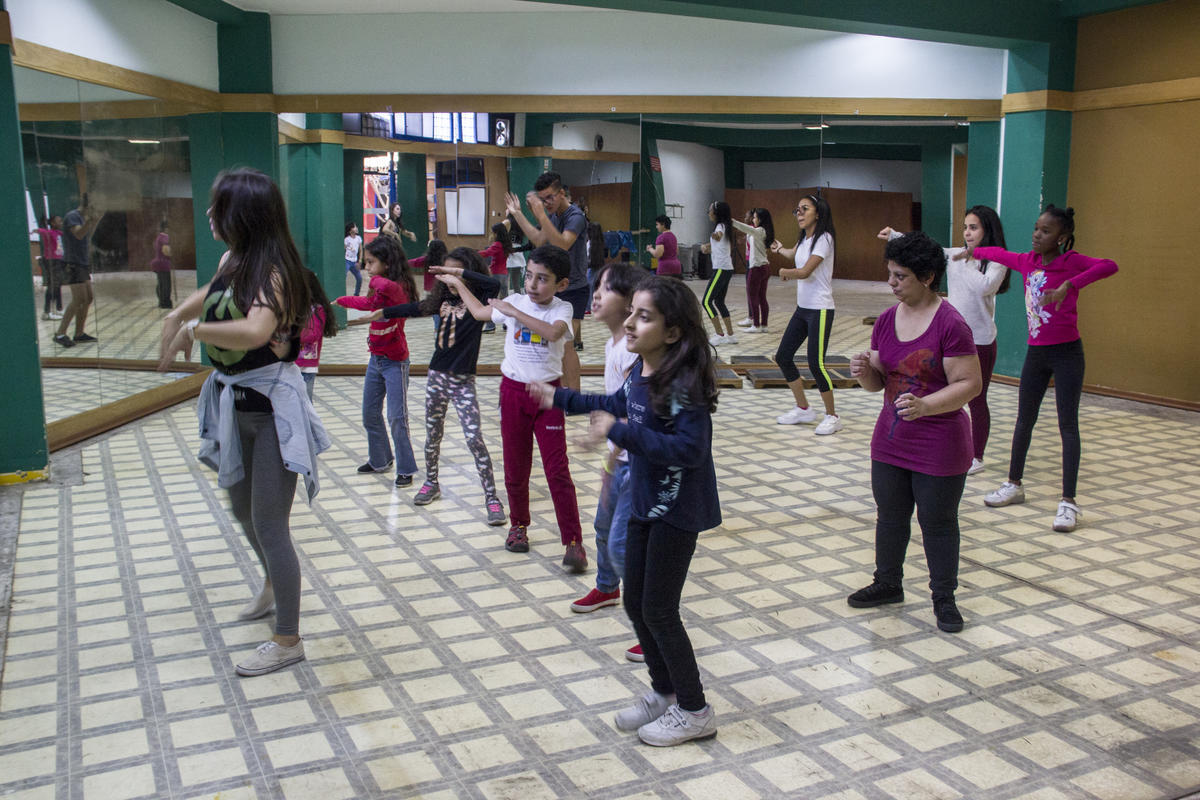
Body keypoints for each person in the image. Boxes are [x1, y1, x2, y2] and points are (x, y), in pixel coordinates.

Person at [528, 275, 721, 747]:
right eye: (631, 311)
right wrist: (562, 399)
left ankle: (695, 709)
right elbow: (617, 405)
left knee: (659, 608)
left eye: (644, 316)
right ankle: (664, 692)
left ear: (673, 332)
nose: (631, 323)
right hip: (645, 500)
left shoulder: (680, 384)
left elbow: (689, 449)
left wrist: (618, 432)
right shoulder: (642, 370)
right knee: (636, 601)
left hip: (678, 509)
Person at [157, 167, 329, 677]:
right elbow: (213, 288)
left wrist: (196, 327)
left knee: (271, 525)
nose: (210, 215)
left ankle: (288, 640)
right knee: (243, 511)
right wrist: (176, 316)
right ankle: (275, 583)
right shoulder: (237, 258)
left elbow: (256, 330)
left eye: (218, 207)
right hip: (238, 410)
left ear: (243, 216)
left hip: (274, 413)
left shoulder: (274, 270)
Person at [847, 231, 981, 634]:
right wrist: (864, 373)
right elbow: (878, 384)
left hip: (939, 443)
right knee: (890, 515)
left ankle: (944, 598)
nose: (891, 283)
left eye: (900, 276)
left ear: (926, 277)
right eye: (889, 273)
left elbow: (969, 384)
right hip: (890, 439)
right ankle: (888, 583)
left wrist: (925, 406)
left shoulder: (951, 323)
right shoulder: (887, 320)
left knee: (938, 522)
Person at [973, 205, 1118, 532]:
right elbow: (999, 253)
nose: (1037, 235)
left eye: (1046, 231)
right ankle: (1014, 484)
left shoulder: (1071, 262)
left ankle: (1068, 502)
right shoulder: (1027, 261)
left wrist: (1072, 285)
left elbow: (1111, 265)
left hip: (1067, 354)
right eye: (1037, 228)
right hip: (1036, 355)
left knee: (1068, 425)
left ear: (1062, 237)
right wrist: (972, 250)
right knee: (1024, 419)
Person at [449, 245, 586, 571]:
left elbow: (554, 334)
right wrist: (458, 285)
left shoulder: (561, 309)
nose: (533, 284)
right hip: (512, 393)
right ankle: (519, 526)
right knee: (515, 466)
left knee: (557, 470)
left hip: (547, 396)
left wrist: (512, 313)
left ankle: (573, 541)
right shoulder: (515, 301)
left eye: (543, 279)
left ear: (561, 284)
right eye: (529, 276)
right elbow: (481, 313)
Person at [363, 247, 507, 525]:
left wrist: (457, 276)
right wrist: (381, 313)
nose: (447, 279)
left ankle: (492, 497)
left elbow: (494, 283)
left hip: (463, 382)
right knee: (433, 435)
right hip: (437, 378)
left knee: (475, 438)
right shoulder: (439, 302)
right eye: (443, 272)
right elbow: (412, 308)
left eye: (452, 272)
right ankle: (432, 482)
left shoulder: (478, 302)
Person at [879, 205, 1011, 475]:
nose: (967, 233)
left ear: (988, 231)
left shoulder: (997, 260)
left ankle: (977, 454)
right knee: (938, 391)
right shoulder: (953, 255)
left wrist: (968, 260)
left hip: (980, 340)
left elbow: (985, 287)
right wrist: (894, 235)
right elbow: (926, 252)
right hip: (946, 338)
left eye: (974, 227)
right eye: (965, 227)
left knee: (976, 398)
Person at [566, 262, 644, 661]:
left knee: (620, 543)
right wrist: (610, 458)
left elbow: (629, 412)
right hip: (621, 455)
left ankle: (650, 625)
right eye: (595, 285)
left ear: (630, 303)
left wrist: (612, 456)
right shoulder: (613, 344)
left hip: (639, 461)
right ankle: (607, 588)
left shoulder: (634, 353)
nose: (595, 294)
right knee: (601, 526)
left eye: (606, 289)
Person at [335, 235, 420, 488]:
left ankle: (406, 468)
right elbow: (368, 302)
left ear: (387, 262)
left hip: (396, 361)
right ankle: (380, 459)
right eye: (366, 263)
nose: (367, 268)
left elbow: (388, 288)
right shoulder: (380, 287)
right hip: (376, 359)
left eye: (371, 262)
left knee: (397, 417)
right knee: (370, 413)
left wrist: (375, 276)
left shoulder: (398, 287)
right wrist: (342, 300)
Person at [770, 194, 841, 435]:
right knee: (783, 356)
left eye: (804, 209)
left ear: (818, 213)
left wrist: (785, 271)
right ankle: (803, 408)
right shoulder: (805, 239)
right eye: (797, 210)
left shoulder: (825, 238)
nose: (799, 213)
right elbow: (795, 255)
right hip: (803, 309)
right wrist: (781, 250)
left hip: (820, 309)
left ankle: (832, 416)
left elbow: (806, 271)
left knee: (815, 363)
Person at [504, 171, 589, 355]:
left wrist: (541, 214)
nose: (546, 203)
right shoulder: (552, 215)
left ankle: (568, 384)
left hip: (574, 287)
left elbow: (563, 244)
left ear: (561, 194)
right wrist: (517, 213)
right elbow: (538, 239)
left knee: (566, 345)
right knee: (553, 347)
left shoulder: (575, 216)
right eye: (542, 199)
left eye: (550, 197)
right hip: (554, 287)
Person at [54, 195, 100, 348]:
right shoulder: (72, 216)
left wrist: (93, 221)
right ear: (87, 206)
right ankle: (60, 333)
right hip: (72, 264)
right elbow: (79, 234)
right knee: (79, 299)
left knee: (88, 298)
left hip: (81, 263)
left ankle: (79, 333)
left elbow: (86, 235)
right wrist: (90, 220)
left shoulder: (82, 218)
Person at [698, 201, 737, 346]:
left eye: (710, 210)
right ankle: (731, 335)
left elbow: (718, 236)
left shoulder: (720, 227)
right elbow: (719, 244)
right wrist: (707, 246)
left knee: (706, 301)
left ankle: (719, 334)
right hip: (726, 268)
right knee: (719, 302)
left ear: (716, 213)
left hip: (721, 269)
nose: (708, 213)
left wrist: (713, 236)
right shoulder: (726, 226)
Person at [297, 269, 338, 402]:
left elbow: (312, 334)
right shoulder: (291, 306)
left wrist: (289, 332)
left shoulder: (316, 309)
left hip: (306, 366)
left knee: (305, 406)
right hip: (290, 366)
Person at [733, 208, 775, 333]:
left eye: (755, 217)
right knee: (761, 297)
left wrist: (732, 221)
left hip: (757, 268)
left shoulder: (759, 231)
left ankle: (756, 325)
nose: (753, 219)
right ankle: (764, 325)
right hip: (764, 267)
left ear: (761, 219)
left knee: (753, 297)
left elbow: (746, 228)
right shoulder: (762, 231)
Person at [478, 222, 513, 332]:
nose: (491, 234)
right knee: (504, 300)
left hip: (496, 275)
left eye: (492, 232)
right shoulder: (506, 244)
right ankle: (507, 324)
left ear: (496, 233)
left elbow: (487, 253)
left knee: (490, 300)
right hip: (504, 274)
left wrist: (472, 254)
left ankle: (490, 325)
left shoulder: (497, 244)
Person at [34, 215, 64, 320]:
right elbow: (42, 231)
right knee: (53, 285)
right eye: (59, 221)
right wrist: (37, 230)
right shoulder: (49, 233)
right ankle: (47, 312)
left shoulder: (59, 233)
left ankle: (59, 308)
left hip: (58, 261)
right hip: (52, 261)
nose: (61, 223)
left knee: (57, 285)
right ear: (52, 223)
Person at [150, 219, 173, 309]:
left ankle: (161, 301)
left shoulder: (159, 237)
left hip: (158, 263)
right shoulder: (165, 237)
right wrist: (172, 253)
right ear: (166, 229)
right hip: (164, 264)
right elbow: (166, 250)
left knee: (161, 284)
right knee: (166, 284)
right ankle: (165, 302)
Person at [505, 219, 532, 295]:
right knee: (515, 281)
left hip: (510, 253)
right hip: (517, 254)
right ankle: (518, 297)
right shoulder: (520, 229)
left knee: (506, 280)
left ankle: (506, 298)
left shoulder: (507, 228)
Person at [583, 222, 604, 315]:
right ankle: (595, 307)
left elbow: (586, 259)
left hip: (591, 269)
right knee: (595, 289)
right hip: (599, 269)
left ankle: (588, 308)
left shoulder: (589, 244)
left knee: (589, 289)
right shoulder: (600, 242)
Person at [344, 222, 364, 296]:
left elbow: (361, 250)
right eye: (354, 227)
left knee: (359, 278)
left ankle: (356, 294)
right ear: (350, 230)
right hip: (347, 261)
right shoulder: (346, 239)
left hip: (355, 262)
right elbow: (344, 249)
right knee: (344, 275)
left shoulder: (359, 238)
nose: (356, 228)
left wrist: (360, 260)